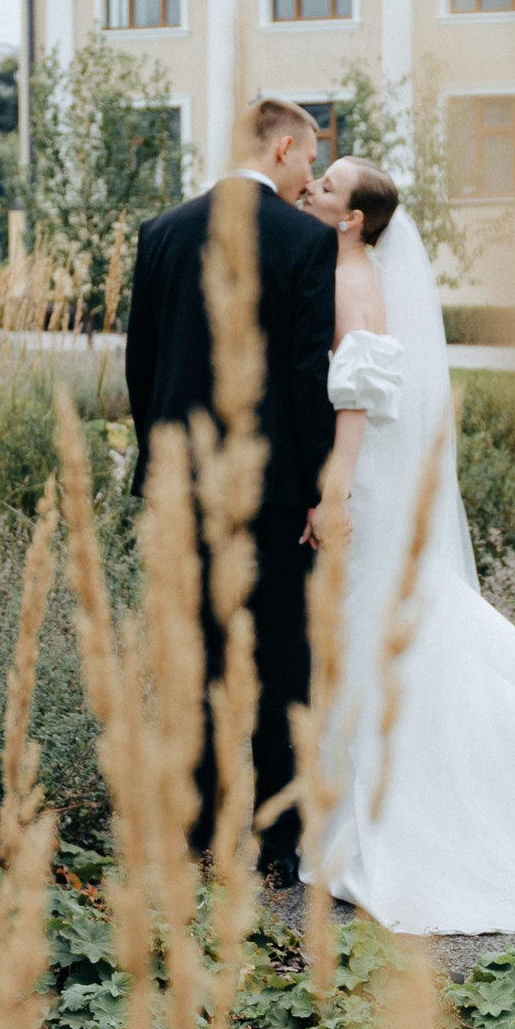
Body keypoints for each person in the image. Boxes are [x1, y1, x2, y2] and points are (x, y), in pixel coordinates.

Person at [297, 157, 515, 934]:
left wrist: (335, 493)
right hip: (376, 484)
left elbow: (358, 396)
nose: (312, 189)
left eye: (326, 185)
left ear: (353, 217)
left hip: (363, 484)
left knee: (372, 641)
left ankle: (384, 826)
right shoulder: (348, 266)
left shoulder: (353, 279)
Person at [123, 98, 337, 885]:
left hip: (181, 487)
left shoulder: (163, 233)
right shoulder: (305, 241)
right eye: (309, 156)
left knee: (198, 660)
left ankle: (201, 841)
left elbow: (140, 371)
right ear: (282, 148)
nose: (310, 173)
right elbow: (308, 375)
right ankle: (279, 849)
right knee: (284, 665)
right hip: (276, 491)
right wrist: (320, 488)